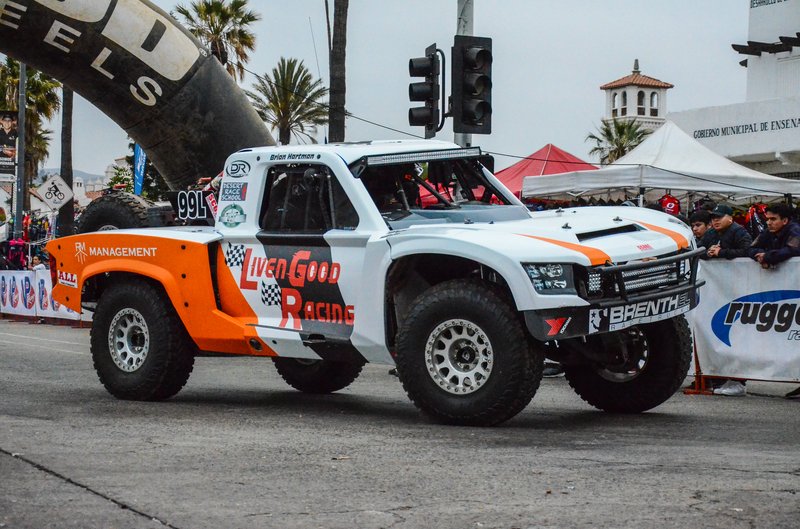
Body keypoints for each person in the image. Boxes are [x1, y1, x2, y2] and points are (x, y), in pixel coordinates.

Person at [747, 203, 800, 269]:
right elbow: (751, 248)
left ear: (785, 221)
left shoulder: (795, 230)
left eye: (773, 219)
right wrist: (761, 256)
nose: (768, 223)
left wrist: (767, 257)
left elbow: (792, 250)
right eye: (767, 219)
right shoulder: (768, 231)